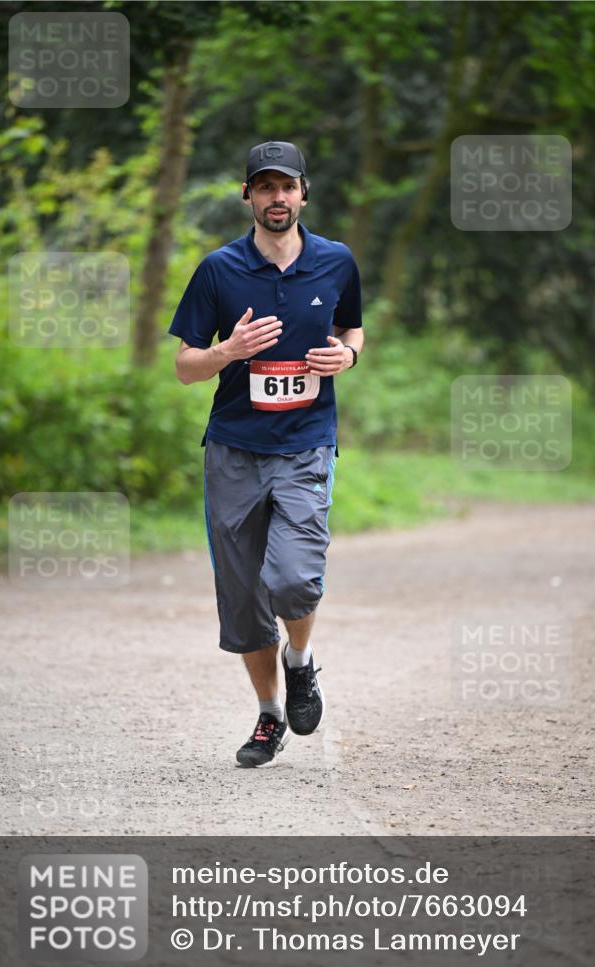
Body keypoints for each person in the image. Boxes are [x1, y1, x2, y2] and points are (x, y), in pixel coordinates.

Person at [169, 140, 364, 768]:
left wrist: (348, 354)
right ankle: (269, 715)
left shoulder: (337, 261)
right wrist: (228, 351)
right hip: (234, 450)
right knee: (245, 596)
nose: (276, 198)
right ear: (247, 195)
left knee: (292, 578)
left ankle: (300, 662)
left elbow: (352, 327)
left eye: (287, 187)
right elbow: (184, 367)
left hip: (306, 445)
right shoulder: (218, 270)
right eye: (264, 187)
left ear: (304, 193)